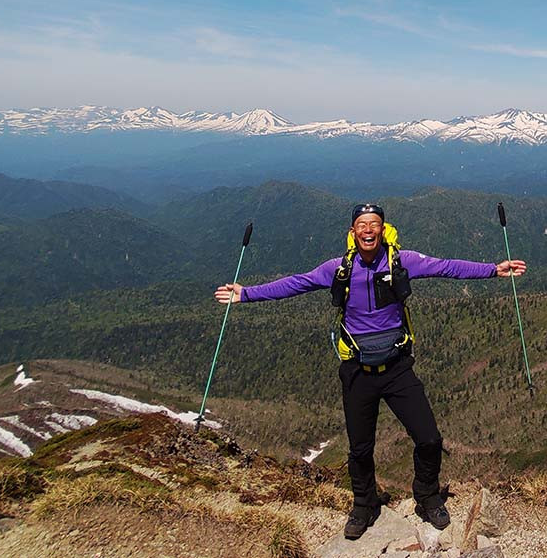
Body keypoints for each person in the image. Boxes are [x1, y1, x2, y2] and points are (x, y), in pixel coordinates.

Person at [214, 202, 527, 540]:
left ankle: (426, 495)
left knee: (429, 438)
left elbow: (446, 267)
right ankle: (364, 506)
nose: (367, 230)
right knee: (360, 449)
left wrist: (492, 270)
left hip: (397, 369)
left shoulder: (400, 261)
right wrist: (246, 294)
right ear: (353, 232)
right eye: (361, 224)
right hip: (358, 372)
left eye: (373, 224)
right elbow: (296, 283)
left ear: (382, 229)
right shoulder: (338, 269)